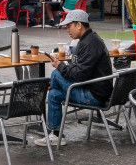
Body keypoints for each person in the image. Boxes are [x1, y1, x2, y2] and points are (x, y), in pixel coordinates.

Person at [34, 9, 113, 146]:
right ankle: (56, 135)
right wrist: (65, 66)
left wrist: (60, 66)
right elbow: (79, 70)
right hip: (92, 89)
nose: (67, 29)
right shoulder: (89, 39)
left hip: (94, 96)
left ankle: (53, 132)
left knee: (55, 74)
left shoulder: (89, 43)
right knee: (53, 94)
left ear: (79, 25)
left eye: (68, 26)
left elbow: (79, 75)